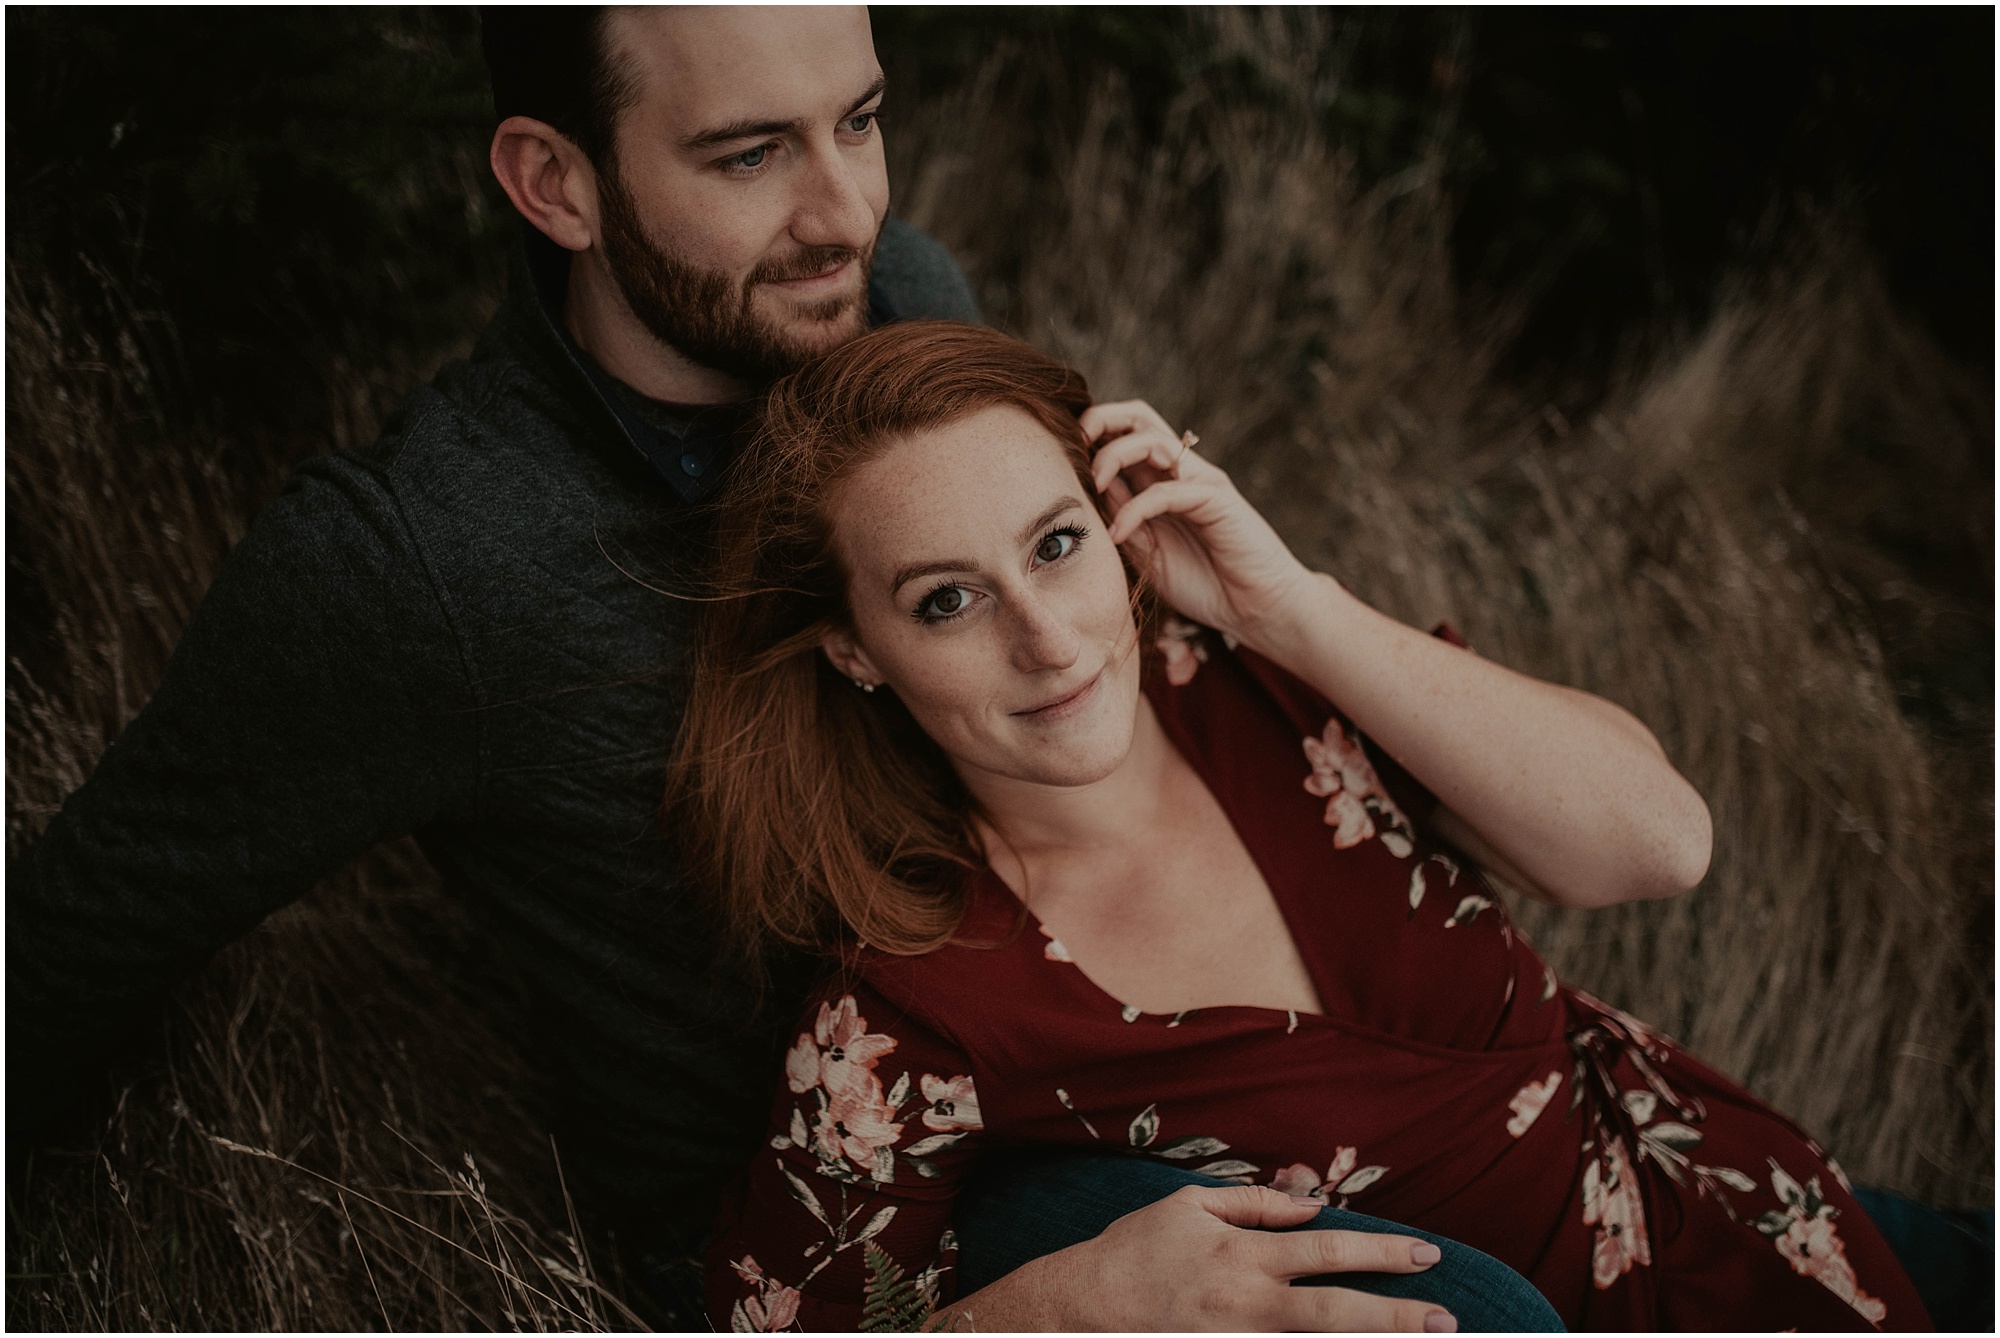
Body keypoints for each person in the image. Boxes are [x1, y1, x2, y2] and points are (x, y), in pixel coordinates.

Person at [9, 7, 1554, 1330]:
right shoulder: (421, 567)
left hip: (1088, 1033)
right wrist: (1029, 1308)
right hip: (850, 1220)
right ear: (557, 181)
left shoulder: (902, 304)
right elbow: (80, 931)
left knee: (1535, 1164)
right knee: (1456, 1309)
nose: (843, 213)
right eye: (749, 155)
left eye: (862, 121)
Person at [680, 320, 1935, 1331]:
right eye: (945, 600)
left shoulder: (1259, 683)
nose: (1047, 639)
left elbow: (1657, 845)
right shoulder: (914, 1004)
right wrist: (1054, 1310)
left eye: (1056, 546)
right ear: (853, 650)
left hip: (1737, 1223)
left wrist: (1286, 607)